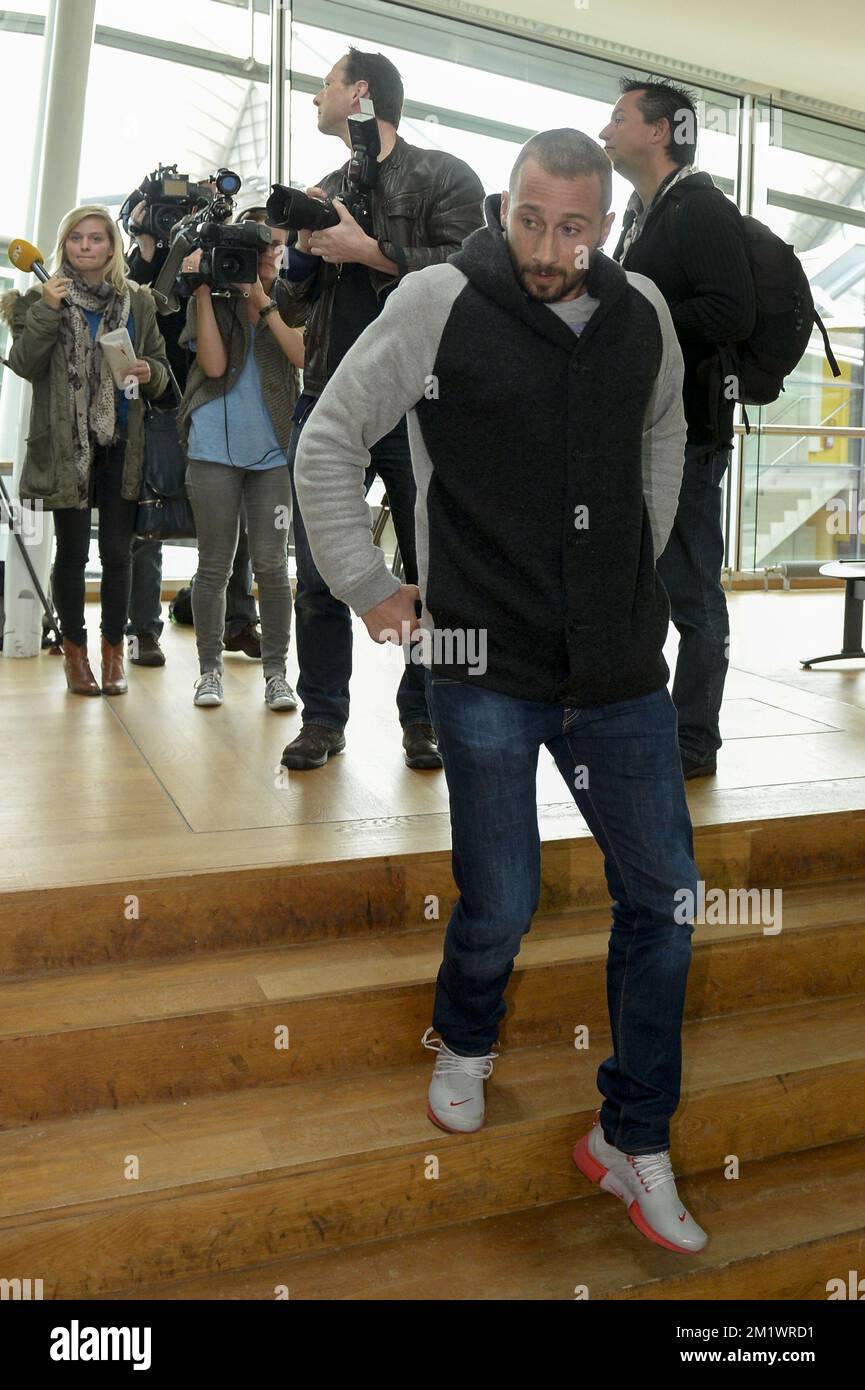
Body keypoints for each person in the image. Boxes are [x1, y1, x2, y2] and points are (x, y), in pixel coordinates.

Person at [295, 128, 710, 1255]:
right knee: (502, 897)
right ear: (506, 202)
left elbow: (665, 427)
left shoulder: (644, 318)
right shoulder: (439, 299)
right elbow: (331, 437)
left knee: (668, 903)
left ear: (606, 226)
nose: (545, 244)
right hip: (477, 657)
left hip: (619, 665)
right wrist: (371, 586)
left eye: (572, 227)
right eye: (528, 218)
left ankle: (633, 1134)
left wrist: (639, 544)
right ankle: (466, 1037)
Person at [279, 45, 485, 771]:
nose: (314, 96)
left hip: (421, 401)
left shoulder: (442, 175)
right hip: (328, 395)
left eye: (325, 84)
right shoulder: (324, 186)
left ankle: (423, 717)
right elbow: (289, 304)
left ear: (360, 92)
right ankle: (322, 718)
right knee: (316, 574)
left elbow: (469, 274)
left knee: (433, 566)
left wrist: (368, 250)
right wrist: (301, 258)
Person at [600, 79, 756, 778]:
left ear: (660, 130)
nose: (604, 128)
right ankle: (653, 724)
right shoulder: (644, 214)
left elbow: (731, 312)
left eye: (618, 116)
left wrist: (643, 320)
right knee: (650, 587)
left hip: (690, 435)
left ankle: (693, 741)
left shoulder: (699, 209)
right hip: (647, 432)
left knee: (690, 591)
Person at [1, 204, 169, 695]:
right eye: (77, 238)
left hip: (121, 442)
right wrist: (47, 311)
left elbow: (159, 367)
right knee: (72, 554)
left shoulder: (136, 300)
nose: (86, 247)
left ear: (112, 247)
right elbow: (25, 364)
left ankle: (113, 653)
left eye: (96, 238)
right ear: (64, 245)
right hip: (64, 446)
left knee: (118, 555)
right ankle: (75, 656)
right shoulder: (39, 297)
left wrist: (148, 373)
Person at [125, 197, 262, 668]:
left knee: (237, 515)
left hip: (214, 400)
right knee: (151, 513)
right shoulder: (147, 266)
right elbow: (135, 312)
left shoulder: (222, 260)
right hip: (161, 405)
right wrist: (145, 249)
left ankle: (238, 620)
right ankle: (142, 630)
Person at [177, 209, 304, 710]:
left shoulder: (295, 296)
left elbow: (301, 356)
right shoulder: (214, 294)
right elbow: (212, 365)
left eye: (275, 245)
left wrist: (261, 299)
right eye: (259, 247)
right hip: (211, 448)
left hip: (272, 451)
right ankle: (209, 671)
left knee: (272, 566)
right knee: (214, 568)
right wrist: (205, 291)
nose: (269, 254)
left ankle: (277, 673)